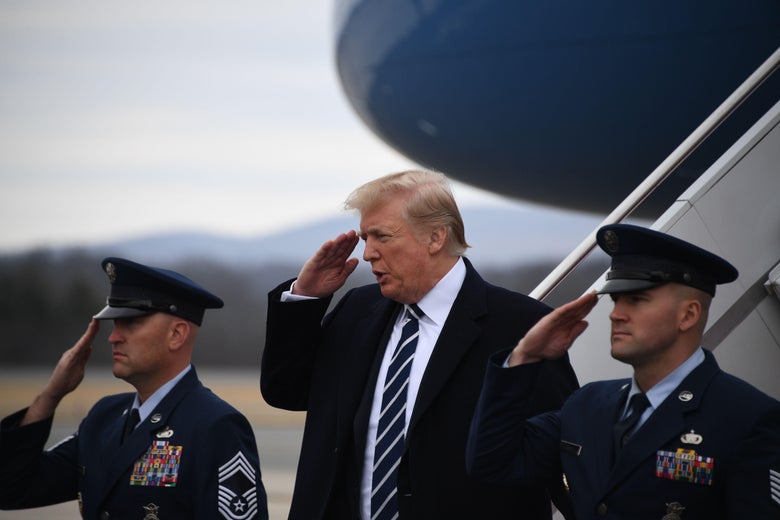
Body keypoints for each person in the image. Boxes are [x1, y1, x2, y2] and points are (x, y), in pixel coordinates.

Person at [261, 169, 579, 519]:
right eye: (366, 237)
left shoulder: (521, 325)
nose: (368, 254)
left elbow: (563, 453)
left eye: (381, 236)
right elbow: (286, 392)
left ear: (435, 238)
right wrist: (304, 298)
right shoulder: (357, 309)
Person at [467, 223, 780, 519]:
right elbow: (493, 462)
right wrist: (526, 355)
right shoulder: (587, 405)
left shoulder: (748, 420)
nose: (616, 314)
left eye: (636, 299)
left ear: (688, 315)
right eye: (616, 300)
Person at [0, 257, 269, 520]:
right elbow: (11, 488)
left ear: (177, 334)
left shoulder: (215, 426)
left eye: (131, 323)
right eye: (115, 323)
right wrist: (50, 396)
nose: (113, 337)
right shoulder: (102, 418)